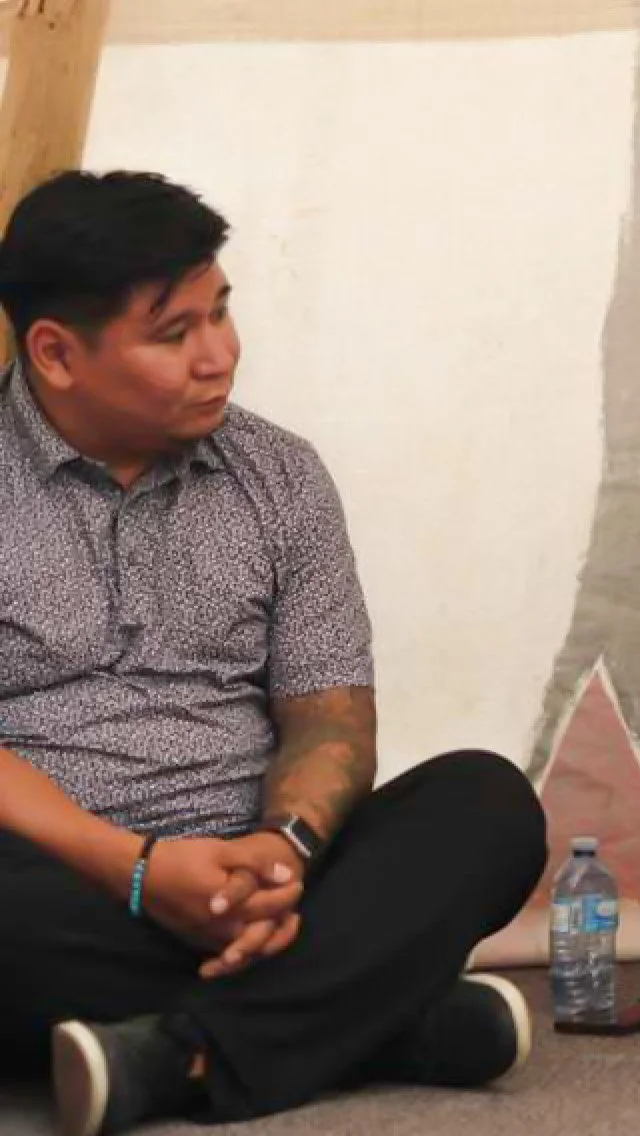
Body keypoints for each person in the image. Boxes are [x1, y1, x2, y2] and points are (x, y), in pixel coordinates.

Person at [0, 170, 549, 1136]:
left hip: (263, 873)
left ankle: (180, 1055)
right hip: (63, 873)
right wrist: (140, 871)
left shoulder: (278, 475)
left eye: (221, 312)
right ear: (56, 353)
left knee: (486, 803)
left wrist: (281, 851)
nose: (219, 355)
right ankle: (381, 1020)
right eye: (175, 333)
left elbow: (331, 714)